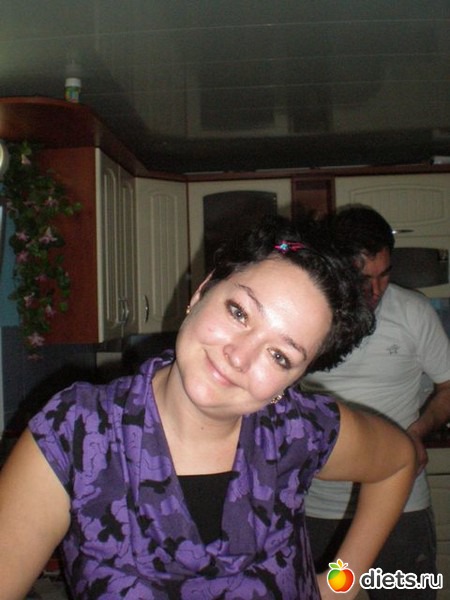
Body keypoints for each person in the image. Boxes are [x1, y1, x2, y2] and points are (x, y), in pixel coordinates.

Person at [0, 215, 416, 600]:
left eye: (280, 356)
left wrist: (340, 584)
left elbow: (399, 462)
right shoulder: (77, 433)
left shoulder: (296, 430)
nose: (239, 355)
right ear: (201, 292)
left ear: (291, 382)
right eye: (239, 312)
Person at [303, 206, 450, 599]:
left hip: (400, 505)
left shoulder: (414, 312)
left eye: (384, 275)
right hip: (318, 509)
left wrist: (415, 435)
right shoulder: (307, 315)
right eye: (362, 278)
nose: (375, 290)